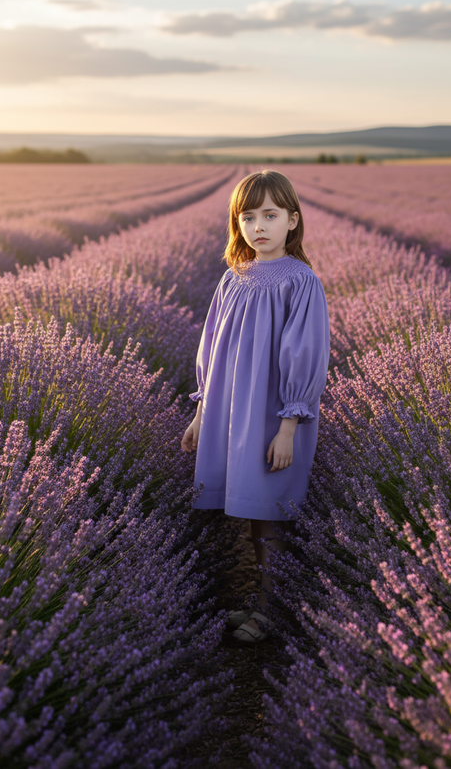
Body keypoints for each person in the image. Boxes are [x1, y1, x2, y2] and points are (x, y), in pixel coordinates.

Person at [181, 170, 330, 644]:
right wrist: (201, 414)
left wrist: (288, 427)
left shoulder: (300, 282)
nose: (259, 225)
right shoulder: (233, 278)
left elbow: (304, 354)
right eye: (248, 216)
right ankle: (261, 600)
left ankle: (273, 611)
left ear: (293, 220)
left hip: (274, 416)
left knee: (272, 514)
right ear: (236, 223)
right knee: (251, 513)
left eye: (270, 214)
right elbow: (211, 349)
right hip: (232, 414)